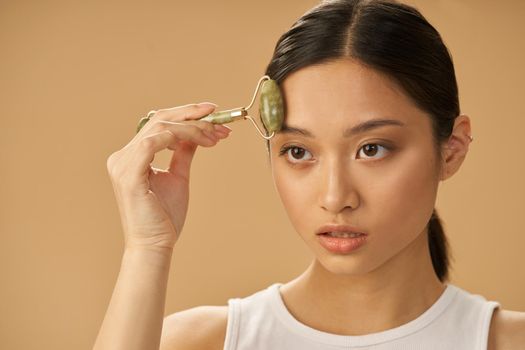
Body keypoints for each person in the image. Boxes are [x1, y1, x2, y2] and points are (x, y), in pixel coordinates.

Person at [93, 0, 525, 349]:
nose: (336, 197)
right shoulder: (202, 342)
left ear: (451, 149)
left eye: (371, 149)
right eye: (299, 151)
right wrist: (148, 248)